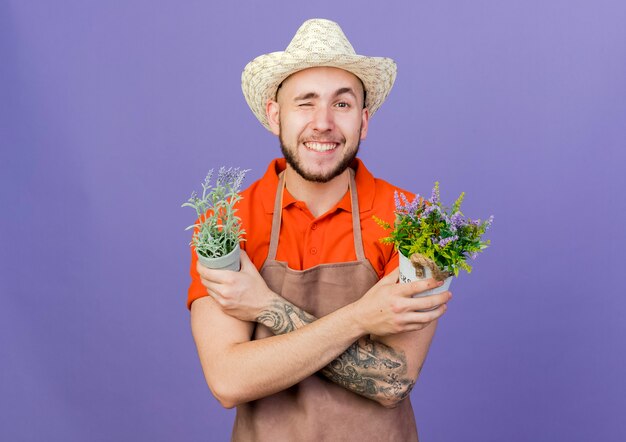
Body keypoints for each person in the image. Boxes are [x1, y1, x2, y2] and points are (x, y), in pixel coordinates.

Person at [187, 18, 452, 441]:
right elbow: (228, 380)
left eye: (342, 104)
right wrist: (363, 317)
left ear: (363, 121)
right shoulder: (225, 224)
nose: (324, 123)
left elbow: (392, 383)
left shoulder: (417, 224)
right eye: (305, 103)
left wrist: (264, 307)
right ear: (275, 115)